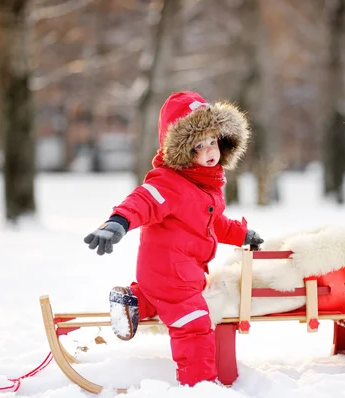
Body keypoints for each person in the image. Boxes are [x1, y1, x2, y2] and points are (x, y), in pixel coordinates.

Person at [83, 91, 264, 386]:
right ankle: (199, 385)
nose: (209, 151)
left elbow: (213, 223)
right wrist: (118, 222)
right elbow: (143, 200)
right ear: (180, 150)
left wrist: (242, 234)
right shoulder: (169, 182)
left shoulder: (204, 184)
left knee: (162, 301)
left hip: (177, 274)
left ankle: (136, 302)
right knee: (194, 324)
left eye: (212, 141)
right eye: (198, 145)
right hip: (172, 275)